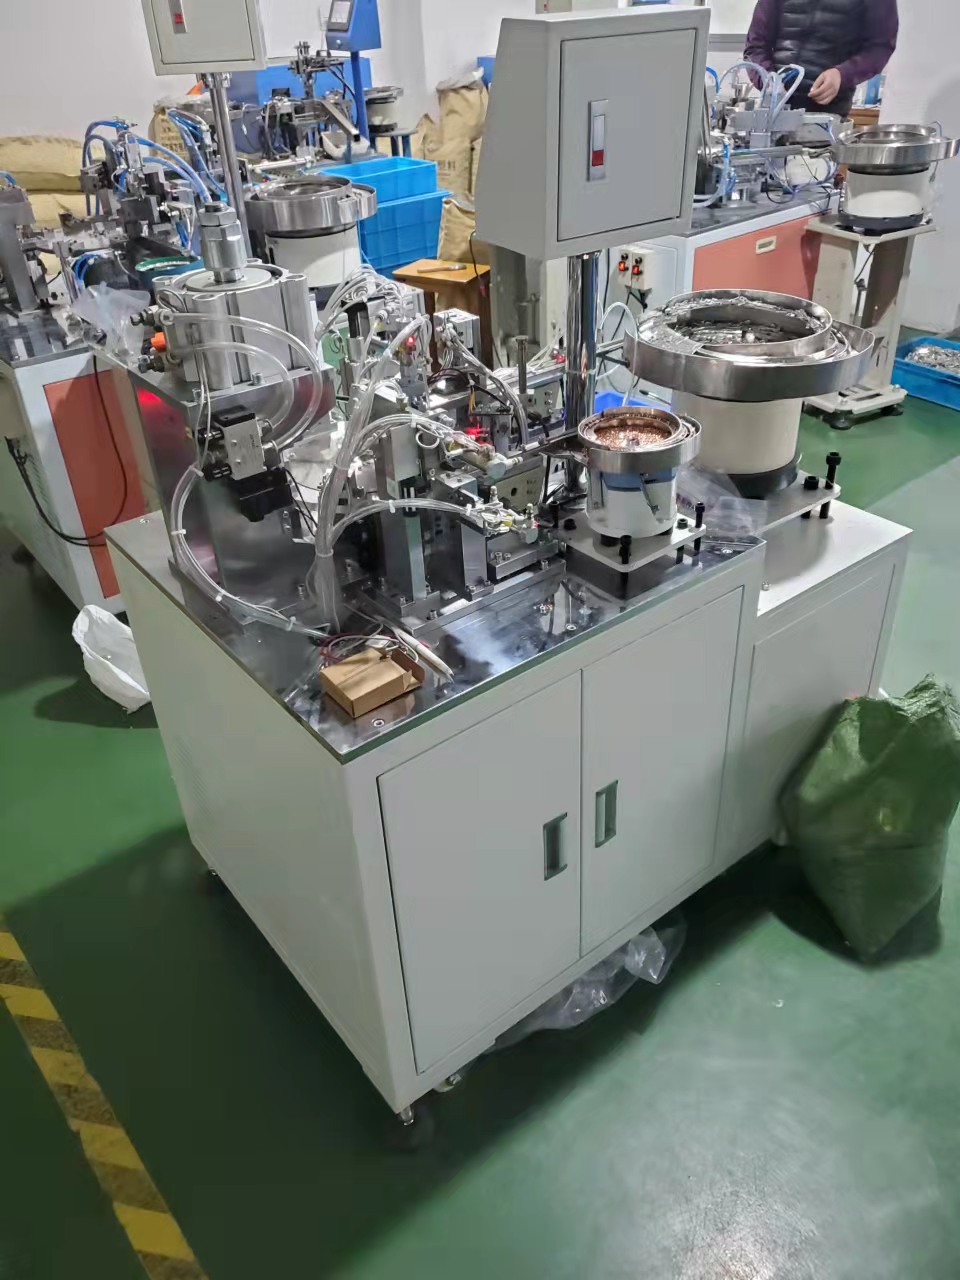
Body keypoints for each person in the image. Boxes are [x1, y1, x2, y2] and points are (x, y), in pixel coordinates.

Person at [744, 0, 899, 119]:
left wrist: (843, 74)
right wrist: (768, 81)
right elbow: (756, 46)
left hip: (827, 114)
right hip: (773, 109)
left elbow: (880, 48)